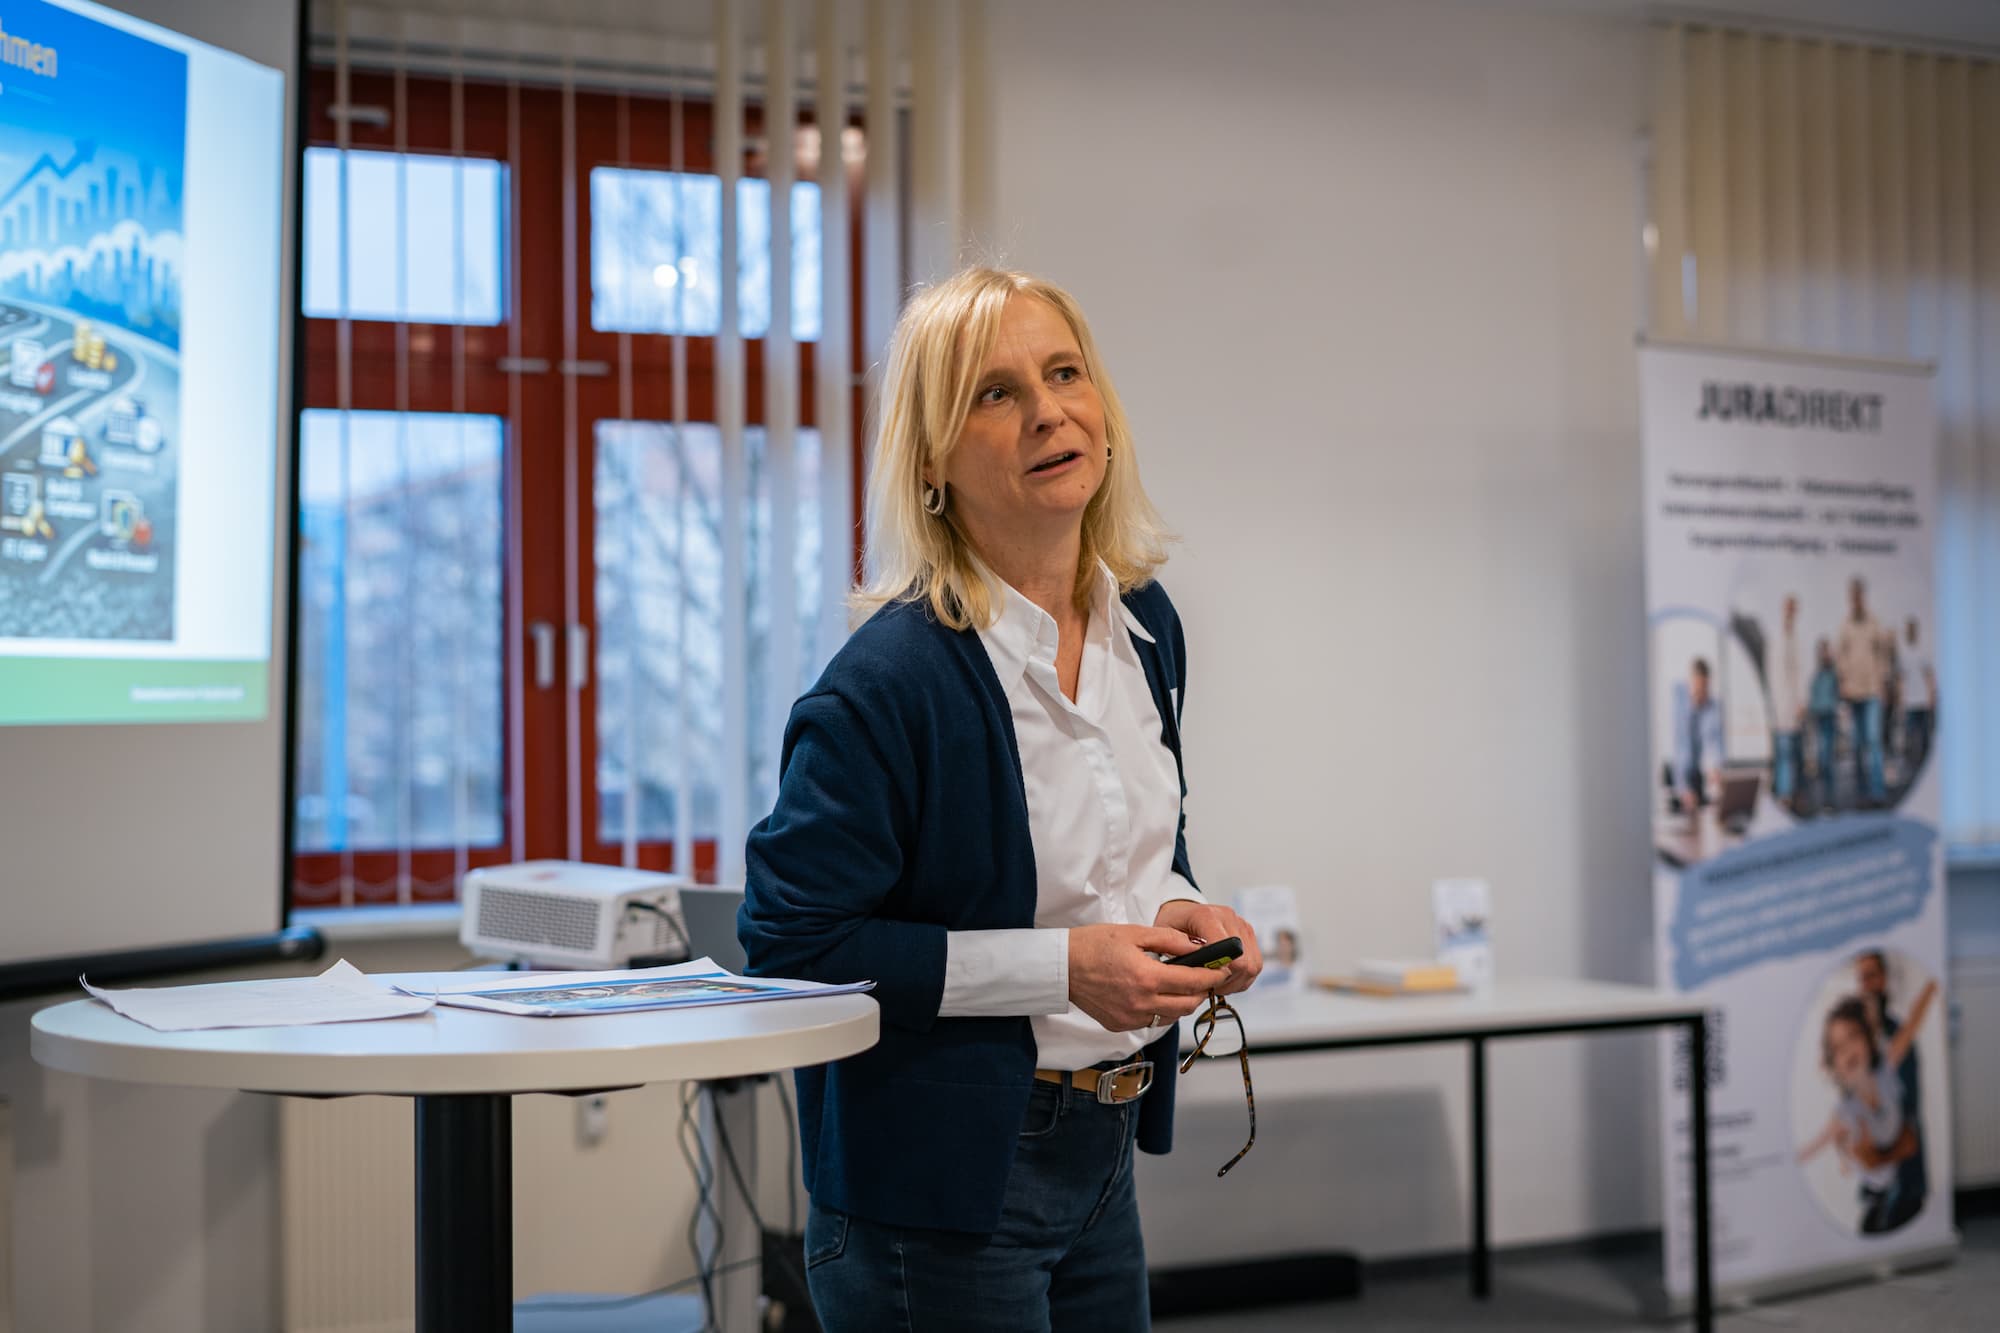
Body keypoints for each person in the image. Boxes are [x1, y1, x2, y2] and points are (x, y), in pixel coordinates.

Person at [738, 267, 1263, 1332]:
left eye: (1065, 374)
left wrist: (1178, 907)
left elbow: (1135, 840)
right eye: (995, 392)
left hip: (1102, 1157)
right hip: (932, 1191)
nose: (1048, 412)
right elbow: (791, 942)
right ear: (931, 460)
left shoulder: (1146, 626)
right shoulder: (887, 683)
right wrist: (1062, 969)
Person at [1798, 978, 1937, 1234]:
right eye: (1838, 1048)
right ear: (1833, 1064)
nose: (1848, 1049)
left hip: (1900, 1184)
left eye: (1853, 1036)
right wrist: (1846, 1155)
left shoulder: (1886, 1070)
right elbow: (1814, 1147)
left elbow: (1911, 1025)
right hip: (1876, 1196)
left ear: (1869, 1039)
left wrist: (1931, 985)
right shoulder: (1845, 1112)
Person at [1857, 950, 1929, 1224]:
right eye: (1861, 978)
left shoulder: (1898, 1037)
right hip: (1874, 1183)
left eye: (1871, 976)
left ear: (1884, 979)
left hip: (1902, 1180)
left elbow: (1908, 1113)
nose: (1866, 984)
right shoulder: (1860, 1043)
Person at [1833, 577, 1891, 805]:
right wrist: (1843, 681)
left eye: (1858, 594)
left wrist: (1883, 683)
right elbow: (1839, 656)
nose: (1855, 599)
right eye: (1852, 595)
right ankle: (1860, 792)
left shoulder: (1874, 623)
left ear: (1863, 596)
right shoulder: (1845, 625)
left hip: (1872, 691)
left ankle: (1877, 792)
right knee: (1857, 745)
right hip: (1853, 693)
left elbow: (1883, 654)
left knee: (1874, 741)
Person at [1670, 657, 1724, 813]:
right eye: (1698, 687)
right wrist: (1683, 788)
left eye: (1705, 687)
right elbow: (1680, 747)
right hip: (1679, 772)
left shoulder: (1712, 705)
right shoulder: (1678, 700)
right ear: (1691, 682)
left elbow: (1713, 740)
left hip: (1699, 774)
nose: (1702, 693)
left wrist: (1714, 768)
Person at [1770, 596, 1805, 805]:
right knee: (1784, 752)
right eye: (1788, 608)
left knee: (1795, 753)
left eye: (1793, 609)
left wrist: (1801, 701)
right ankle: (1785, 795)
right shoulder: (1777, 638)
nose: (1790, 613)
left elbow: (1799, 673)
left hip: (1794, 705)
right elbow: (1774, 675)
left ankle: (1795, 793)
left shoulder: (1797, 639)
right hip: (1781, 706)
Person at [1899, 618, 1937, 780]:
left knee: (1925, 735)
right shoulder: (1903, 654)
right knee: (1910, 735)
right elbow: (1902, 680)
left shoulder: (1923, 652)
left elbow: (1929, 676)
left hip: (1923, 701)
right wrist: (1901, 700)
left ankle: (1925, 767)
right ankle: (1912, 767)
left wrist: (1931, 696)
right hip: (1910, 702)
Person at [1808, 638, 1841, 811]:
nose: (1825, 655)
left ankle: (1829, 798)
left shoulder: (1833, 673)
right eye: (1823, 651)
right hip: (1818, 718)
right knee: (1820, 760)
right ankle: (1821, 799)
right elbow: (1812, 696)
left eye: (1827, 651)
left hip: (1829, 717)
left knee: (1827, 759)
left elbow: (1838, 694)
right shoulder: (1817, 674)